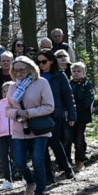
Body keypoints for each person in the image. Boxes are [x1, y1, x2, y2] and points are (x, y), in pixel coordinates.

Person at [6, 57, 55, 195]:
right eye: (16, 70)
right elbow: (7, 109)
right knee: (19, 162)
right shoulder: (13, 87)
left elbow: (49, 106)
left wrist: (28, 113)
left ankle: (40, 193)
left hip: (39, 128)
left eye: (23, 69)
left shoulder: (41, 83)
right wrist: (16, 114)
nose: (19, 73)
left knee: (38, 160)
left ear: (30, 69)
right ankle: (30, 181)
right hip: (19, 129)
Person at [37, 49, 77, 181]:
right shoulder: (36, 77)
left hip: (56, 114)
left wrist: (72, 115)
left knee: (54, 141)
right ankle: (49, 174)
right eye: (39, 62)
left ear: (51, 61)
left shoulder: (59, 76)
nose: (41, 64)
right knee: (44, 144)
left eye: (44, 61)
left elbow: (68, 95)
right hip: (40, 114)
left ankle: (66, 167)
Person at [0, 82, 17, 191]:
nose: (7, 93)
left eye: (10, 91)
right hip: (2, 134)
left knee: (18, 156)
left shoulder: (18, 103)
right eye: (5, 91)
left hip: (16, 134)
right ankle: (8, 179)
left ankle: (24, 175)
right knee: (4, 157)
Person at [69, 62, 95, 171]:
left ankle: (80, 161)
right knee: (69, 138)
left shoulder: (87, 84)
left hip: (81, 116)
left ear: (84, 72)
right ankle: (68, 161)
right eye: (74, 71)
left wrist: (78, 108)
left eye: (79, 71)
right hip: (69, 116)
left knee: (79, 138)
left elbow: (89, 99)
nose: (76, 73)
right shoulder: (68, 84)